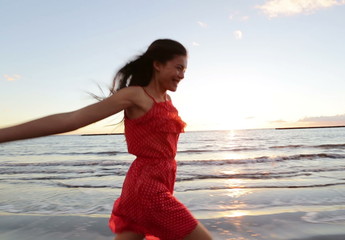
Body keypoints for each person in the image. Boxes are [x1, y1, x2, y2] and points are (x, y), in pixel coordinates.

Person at [0, 39, 213, 240]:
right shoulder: (135, 95)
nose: (182, 74)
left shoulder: (167, 99)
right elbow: (71, 119)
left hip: (156, 183)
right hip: (148, 189)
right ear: (157, 65)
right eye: (178, 67)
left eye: (184, 69)